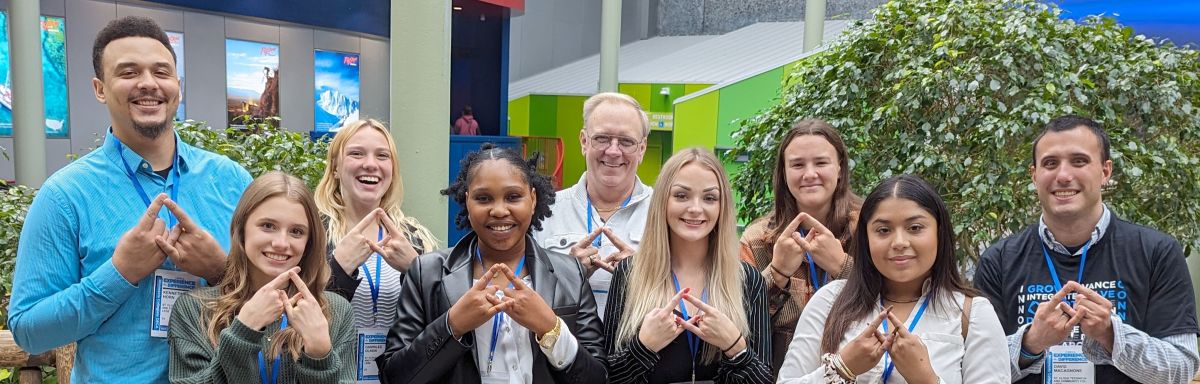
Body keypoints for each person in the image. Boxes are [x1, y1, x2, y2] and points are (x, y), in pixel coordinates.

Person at [7, 16, 252, 383]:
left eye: (161, 72)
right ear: (99, 88)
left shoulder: (231, 180)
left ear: (178, 86)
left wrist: (221, 271)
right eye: (128, 72)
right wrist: (119, 274)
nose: (148, 84)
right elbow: (29, 330)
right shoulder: (64, 196)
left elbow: (275, 297)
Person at [975, 115, 1199, 383]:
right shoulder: (998, 261)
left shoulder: (1157, 252)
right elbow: (976, 371)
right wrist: (1030, 344)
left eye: (1079, 161)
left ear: (1105, 171)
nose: (1064, 175)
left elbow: (1182, 368)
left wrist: (1111, 334)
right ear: (1034, 175)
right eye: (1050, 163)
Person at [376, 144, 607, 383]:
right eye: (483, 198)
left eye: (513, 197)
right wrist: (452, 325)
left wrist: (551, 329)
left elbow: (598, 377)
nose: (498, 210)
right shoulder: (427, 273)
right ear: (467, 202)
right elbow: (394, 377)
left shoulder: (570, 274)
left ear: (533, 198)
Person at [777, 174, 1009, 383]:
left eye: (915, 227)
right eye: (883, 230)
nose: (899, 242)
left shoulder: (972, 314)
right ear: (866, 239)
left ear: (939, 232)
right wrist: (842, 369)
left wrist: (926, 380)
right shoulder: (829, 302)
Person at [168, 172, 356, 383]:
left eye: (296, 231)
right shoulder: (195, 310)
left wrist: (319, 355)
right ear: (241, 230)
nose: (281, 243)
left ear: (309, 242)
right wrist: (242, 333)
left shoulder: (334, 312)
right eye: (268, 226)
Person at [604, 148, 772, 383]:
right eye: (682, 196)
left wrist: (735, 347)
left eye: (709, 198)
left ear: (722, 207)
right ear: (662, 201)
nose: (695, 208)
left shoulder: (747, 280)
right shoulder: (630, 273)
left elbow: (764, 379)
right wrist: (643, 348)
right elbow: (609, 378)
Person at [315, 118, 440, 381]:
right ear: (335, 167)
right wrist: (338, 271)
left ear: (392, 169)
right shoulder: (312, 235)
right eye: (356, 153)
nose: (370, 164)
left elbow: (440, 327)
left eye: (382, 155)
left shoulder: (416, 239)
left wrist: (415, 270)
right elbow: (291, 324)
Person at [738, 118, 862, 375]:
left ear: (840, 168)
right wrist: (777, 273)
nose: (809, 174)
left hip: (861, 372)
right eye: (797, 165)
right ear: (783, 173)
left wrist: (843, 267)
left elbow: (899, 301)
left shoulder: (870, 228)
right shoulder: (758, 239)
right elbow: (737, 326)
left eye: (821, 162)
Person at [534, 92, 653, 319]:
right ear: (583, 141)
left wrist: (643, 277)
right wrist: (569, 273)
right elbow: (523, 292)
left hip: (640, 352)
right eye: (602, 139)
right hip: (561, 350)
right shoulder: (545, 212)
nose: (613, 151)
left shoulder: (664, 213)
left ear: (642, 149)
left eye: (626, 141)